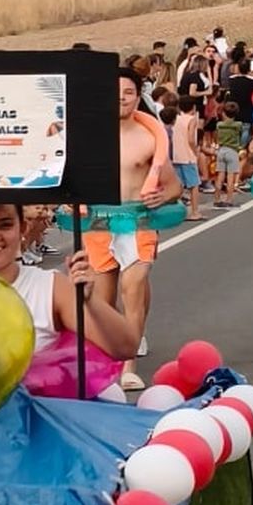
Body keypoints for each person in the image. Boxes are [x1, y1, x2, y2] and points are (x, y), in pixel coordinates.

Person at [87, 68, 182, 391]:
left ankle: (128, 365)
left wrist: (162, 195)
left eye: (128, 92)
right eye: (114, 92)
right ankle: (108, 358)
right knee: (102, 298)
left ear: (137, 94)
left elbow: (173, 186)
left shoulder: (148, 137)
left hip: (138, 222)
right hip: (99, 224)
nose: (121, 98)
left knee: (134, 286)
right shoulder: (91, 137)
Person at [0, 201, 137, 359]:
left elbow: (125, 349)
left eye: (5, 225)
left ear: (23, 228)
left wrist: (91, 302)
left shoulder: (50, 287)